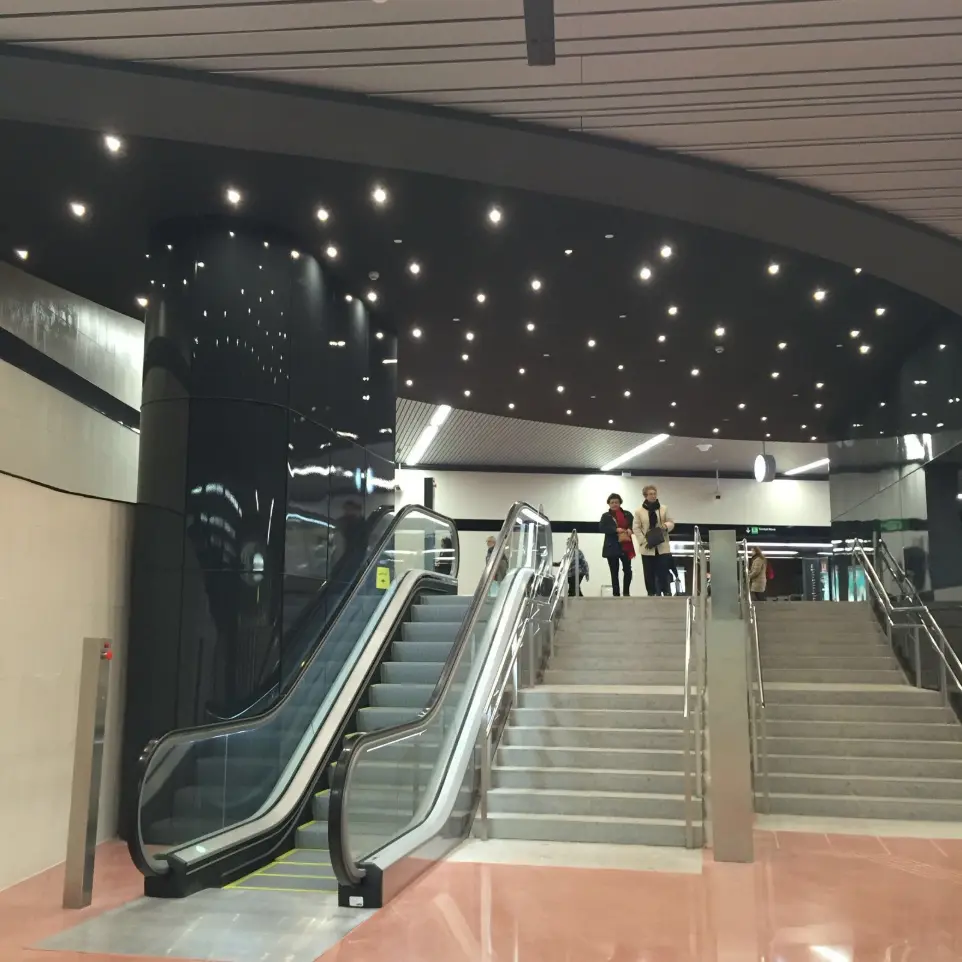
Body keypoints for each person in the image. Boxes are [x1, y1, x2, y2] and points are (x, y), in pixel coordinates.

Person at [633, 484, 675, 597]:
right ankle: (651, 592)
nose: (653, 496)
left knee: (663, 570)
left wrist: (666, 526)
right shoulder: (639, 511)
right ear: (645, 496)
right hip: (647, 546)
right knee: (649, 572)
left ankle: (666, 591)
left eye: (654, 493)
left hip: (662, 544)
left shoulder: (663, 508)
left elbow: (671, 522)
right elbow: (636, 528)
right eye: (650, 494)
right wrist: (644, 541)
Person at [600, 493, 635, 597]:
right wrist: (615, 529)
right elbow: (601, 528)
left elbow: (634, 525)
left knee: (627, 570)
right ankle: (616, 593)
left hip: (626, 545)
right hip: (612, 547)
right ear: (609, 504)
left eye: (616, 502)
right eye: (612, 502)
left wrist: (630, 529)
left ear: (620, 503)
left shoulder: (627, 514)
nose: (614, 504)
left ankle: (626, 592)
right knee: (614, 572)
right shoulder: (606, 516)